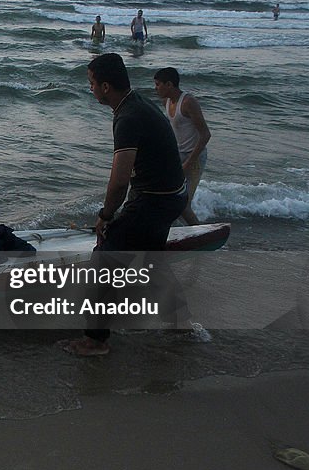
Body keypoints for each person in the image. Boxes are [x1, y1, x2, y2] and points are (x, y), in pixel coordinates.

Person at [66, 53, 186, 356]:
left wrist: (105, 216)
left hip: (154, 201)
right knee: (153, 260)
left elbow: (119, 180)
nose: (90, 88)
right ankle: (181, 324)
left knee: (101, 262)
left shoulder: (128, 117)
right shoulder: (136, 104)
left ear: (106, 86)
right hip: (171, 196)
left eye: (92, 83)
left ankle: (95, 340)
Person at [153, 67, 211, 225]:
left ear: (169, 84)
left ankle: (200, 236)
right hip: (177, 155)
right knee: (166, 196)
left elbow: (205, 134)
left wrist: (189, 162)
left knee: (183, 203)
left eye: (158, 84)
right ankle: (173, 232)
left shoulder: (188, 102)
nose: (155, 88)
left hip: (195, 157)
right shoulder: (166, 101)